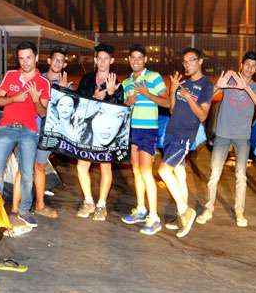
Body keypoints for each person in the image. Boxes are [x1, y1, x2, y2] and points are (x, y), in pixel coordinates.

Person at [198, 51, 256, 228]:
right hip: (223, 134)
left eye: (253, 66)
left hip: (243, 136)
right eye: (247, 64)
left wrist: (247, 87)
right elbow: (208, 98)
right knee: (214, 174)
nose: (250, 68)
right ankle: (209, 208)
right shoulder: (229, 80)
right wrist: (218, 86)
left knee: (241, 176)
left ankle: (239, 212)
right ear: (241, 65)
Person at [0, 40, 50, 228]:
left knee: (26, 173)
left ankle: (24, 210)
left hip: (29, 132)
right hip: (7, 128)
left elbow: (43, 113)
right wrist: (14, 98)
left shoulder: (43, 82)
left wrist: (35, 100)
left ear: (36, 58)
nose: (25, 62)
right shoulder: (10, 75)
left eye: (28, 58)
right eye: (21, 59)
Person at [158, 48, 214, 238]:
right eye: (184, 62)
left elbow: (203, 115)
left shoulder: (206, 85)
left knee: (163, 171)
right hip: (171, 132)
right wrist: (173, 91)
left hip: (184, 135)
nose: (186, 65)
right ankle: (182, 217)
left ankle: (185, 210)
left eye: (190, 61)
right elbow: (173, 110)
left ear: (200, 62)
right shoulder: (184, 82)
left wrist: (189, 96)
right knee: (180, 174)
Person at [11, 47, 71, 220]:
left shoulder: (66, 84)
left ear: (64, 64)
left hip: (48, 132)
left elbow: (67, 111)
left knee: (40, 167)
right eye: (55, 59)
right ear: (49, 61)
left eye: (61, 60)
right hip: (29, 128)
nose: (58, 63)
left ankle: (39, 205)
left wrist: (65, 91)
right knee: (23, 169)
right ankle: (15, 210)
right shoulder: (37, 78)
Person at [121, 44, 169, 235]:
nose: (136, 61)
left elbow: (167, 101)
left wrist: (148, 94)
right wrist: (128, 102)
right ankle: (141, 209)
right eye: (133, 58)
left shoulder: (153, 77)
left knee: (147, 172)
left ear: (145, 60)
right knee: (135, 170)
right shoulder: (126, 82)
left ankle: (154, 217)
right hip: (132, 129)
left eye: (139, 57)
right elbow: (126, 107)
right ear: (129, 60)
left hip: (148, 130)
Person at [75, 43, 124, 221]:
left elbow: (120, 112)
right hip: (87, 131)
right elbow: (78, 103)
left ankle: (101, 205)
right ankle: (88, 201)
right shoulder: (87, 79)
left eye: (106, 58)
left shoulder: (117, 83)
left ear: (111, 60)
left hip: (106, 133)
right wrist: (94, 98)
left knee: (105, 166)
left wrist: (111, 95)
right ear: (95, 60)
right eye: (99, 58)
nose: (102, 62)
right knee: (82, 165)